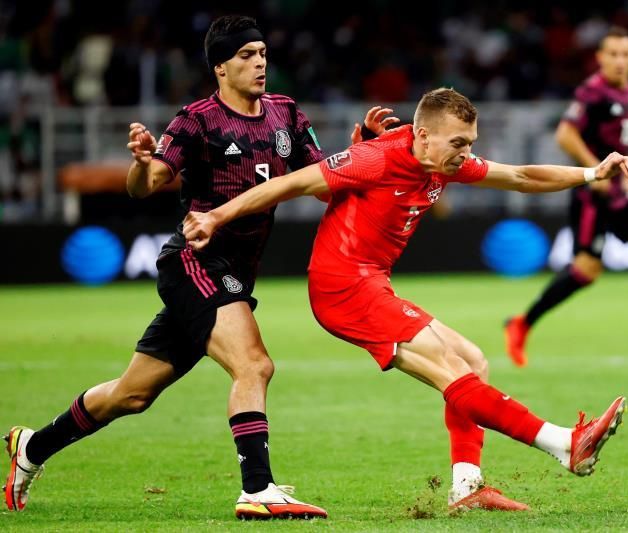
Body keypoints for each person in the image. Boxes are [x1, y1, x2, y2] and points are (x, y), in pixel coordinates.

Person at [4, 15, 395, 520]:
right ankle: (257, 489)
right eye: (246, 56)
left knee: (132, 394)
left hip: (235, 272)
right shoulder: (197, 120)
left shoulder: (287, 115)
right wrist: (143, 164)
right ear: (220, 68)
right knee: (254, 364)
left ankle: (31, 448)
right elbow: (144, 185)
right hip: (194, 261)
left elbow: (321, 181)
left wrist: (361, 146)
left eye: (262, 53)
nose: (259, 64)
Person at [182, 87, 628, 512]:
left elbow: (518, 175)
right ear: (422, 135)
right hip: (343, 288)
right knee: (451, 370)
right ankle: (563, 443)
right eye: (458, 142)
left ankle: (467, 488)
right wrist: (216, 216)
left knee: (472, 360)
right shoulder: (375, 158)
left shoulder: (445, 162)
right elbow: (292, 185)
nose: (466, 153)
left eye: (469, 142)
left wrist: (592, 172)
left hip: (372, 283)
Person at [504, 26, 628, 367]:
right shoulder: (593, 91)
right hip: (593, 196)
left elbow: (619, 142)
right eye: (613, 54)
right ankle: (521, 323)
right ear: (600, 58)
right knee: (585, 272)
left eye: (626, 55)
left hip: (617, 192)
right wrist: (596, 169)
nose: (620, 61)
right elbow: (565, 134)